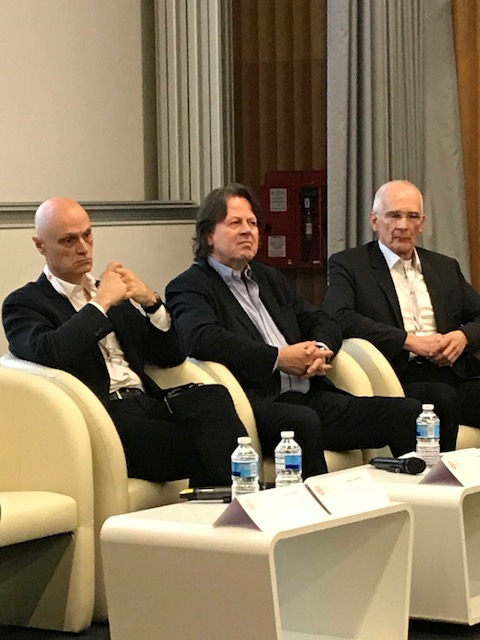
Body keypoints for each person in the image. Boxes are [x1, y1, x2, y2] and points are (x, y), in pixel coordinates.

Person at [165, 183, 422, 478]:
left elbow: (323, 320)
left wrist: (319, 350)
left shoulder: (269, 278)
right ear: (209, 235)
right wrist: (279, 358)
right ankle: (320, 507)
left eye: (252, 223)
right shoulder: (190, 286)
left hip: (310, 394)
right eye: (235, 223)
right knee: (302, 421)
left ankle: (421, 499)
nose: (247, 231)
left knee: (408, 413)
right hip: (257, 404)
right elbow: (201, 338)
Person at [2, 197, 247, 487]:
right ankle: (238, 497)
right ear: (41, 245)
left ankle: (231, 496)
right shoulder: (25, 303)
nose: (83, 247)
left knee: (213, 398)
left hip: (146, 401)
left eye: (87, 235)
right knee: (201, 443)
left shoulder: (110, 292)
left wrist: (152, 303)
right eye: (69, 240)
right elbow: (51, 352)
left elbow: (171, 356)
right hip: (100, 415)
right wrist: (101, 304)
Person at [323, 179, 480, 451]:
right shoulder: (350, 265)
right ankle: (438, 476)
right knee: (440, 399)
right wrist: (409, 341)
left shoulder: (444, 266)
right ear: (375, 221)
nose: (403, 225)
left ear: (422, 223)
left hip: (452, 370)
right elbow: (338, 316)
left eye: (412, 217)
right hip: (398, 374)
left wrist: (463, 336)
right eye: (394, 215)